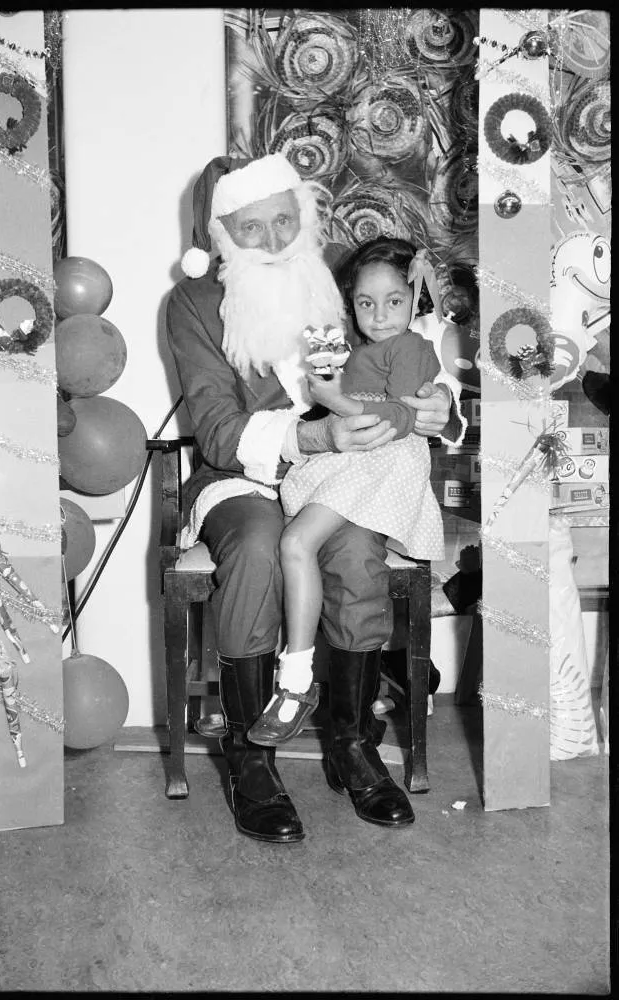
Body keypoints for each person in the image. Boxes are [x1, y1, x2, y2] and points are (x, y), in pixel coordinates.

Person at [167, 152, 464, 844]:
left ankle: (350, 741)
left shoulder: (332, 281)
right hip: (245, 474)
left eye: (282, 220)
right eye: (250, 227)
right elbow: (216, 429)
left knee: (358, 549)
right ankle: (251, 757)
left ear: (301, 215)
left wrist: (437, 405)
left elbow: (404, 346)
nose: (271, 241)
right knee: (258, 545)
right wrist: (316, 439)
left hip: (341, 476)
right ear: (221, 234)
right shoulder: (192, 304)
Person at [247, 238, 445, 751]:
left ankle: (296, 681)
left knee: (296, 544)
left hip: (382, 463)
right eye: (365, 303)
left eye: (394, 301)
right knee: (296, 546)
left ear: (414, 297)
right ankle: (309, 679)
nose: (379, 316)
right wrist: (327, 379)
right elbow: (330, 394)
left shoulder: (411, 348)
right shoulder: (352, 346)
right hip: (350, 459)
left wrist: (334, 396)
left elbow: (401, 416)